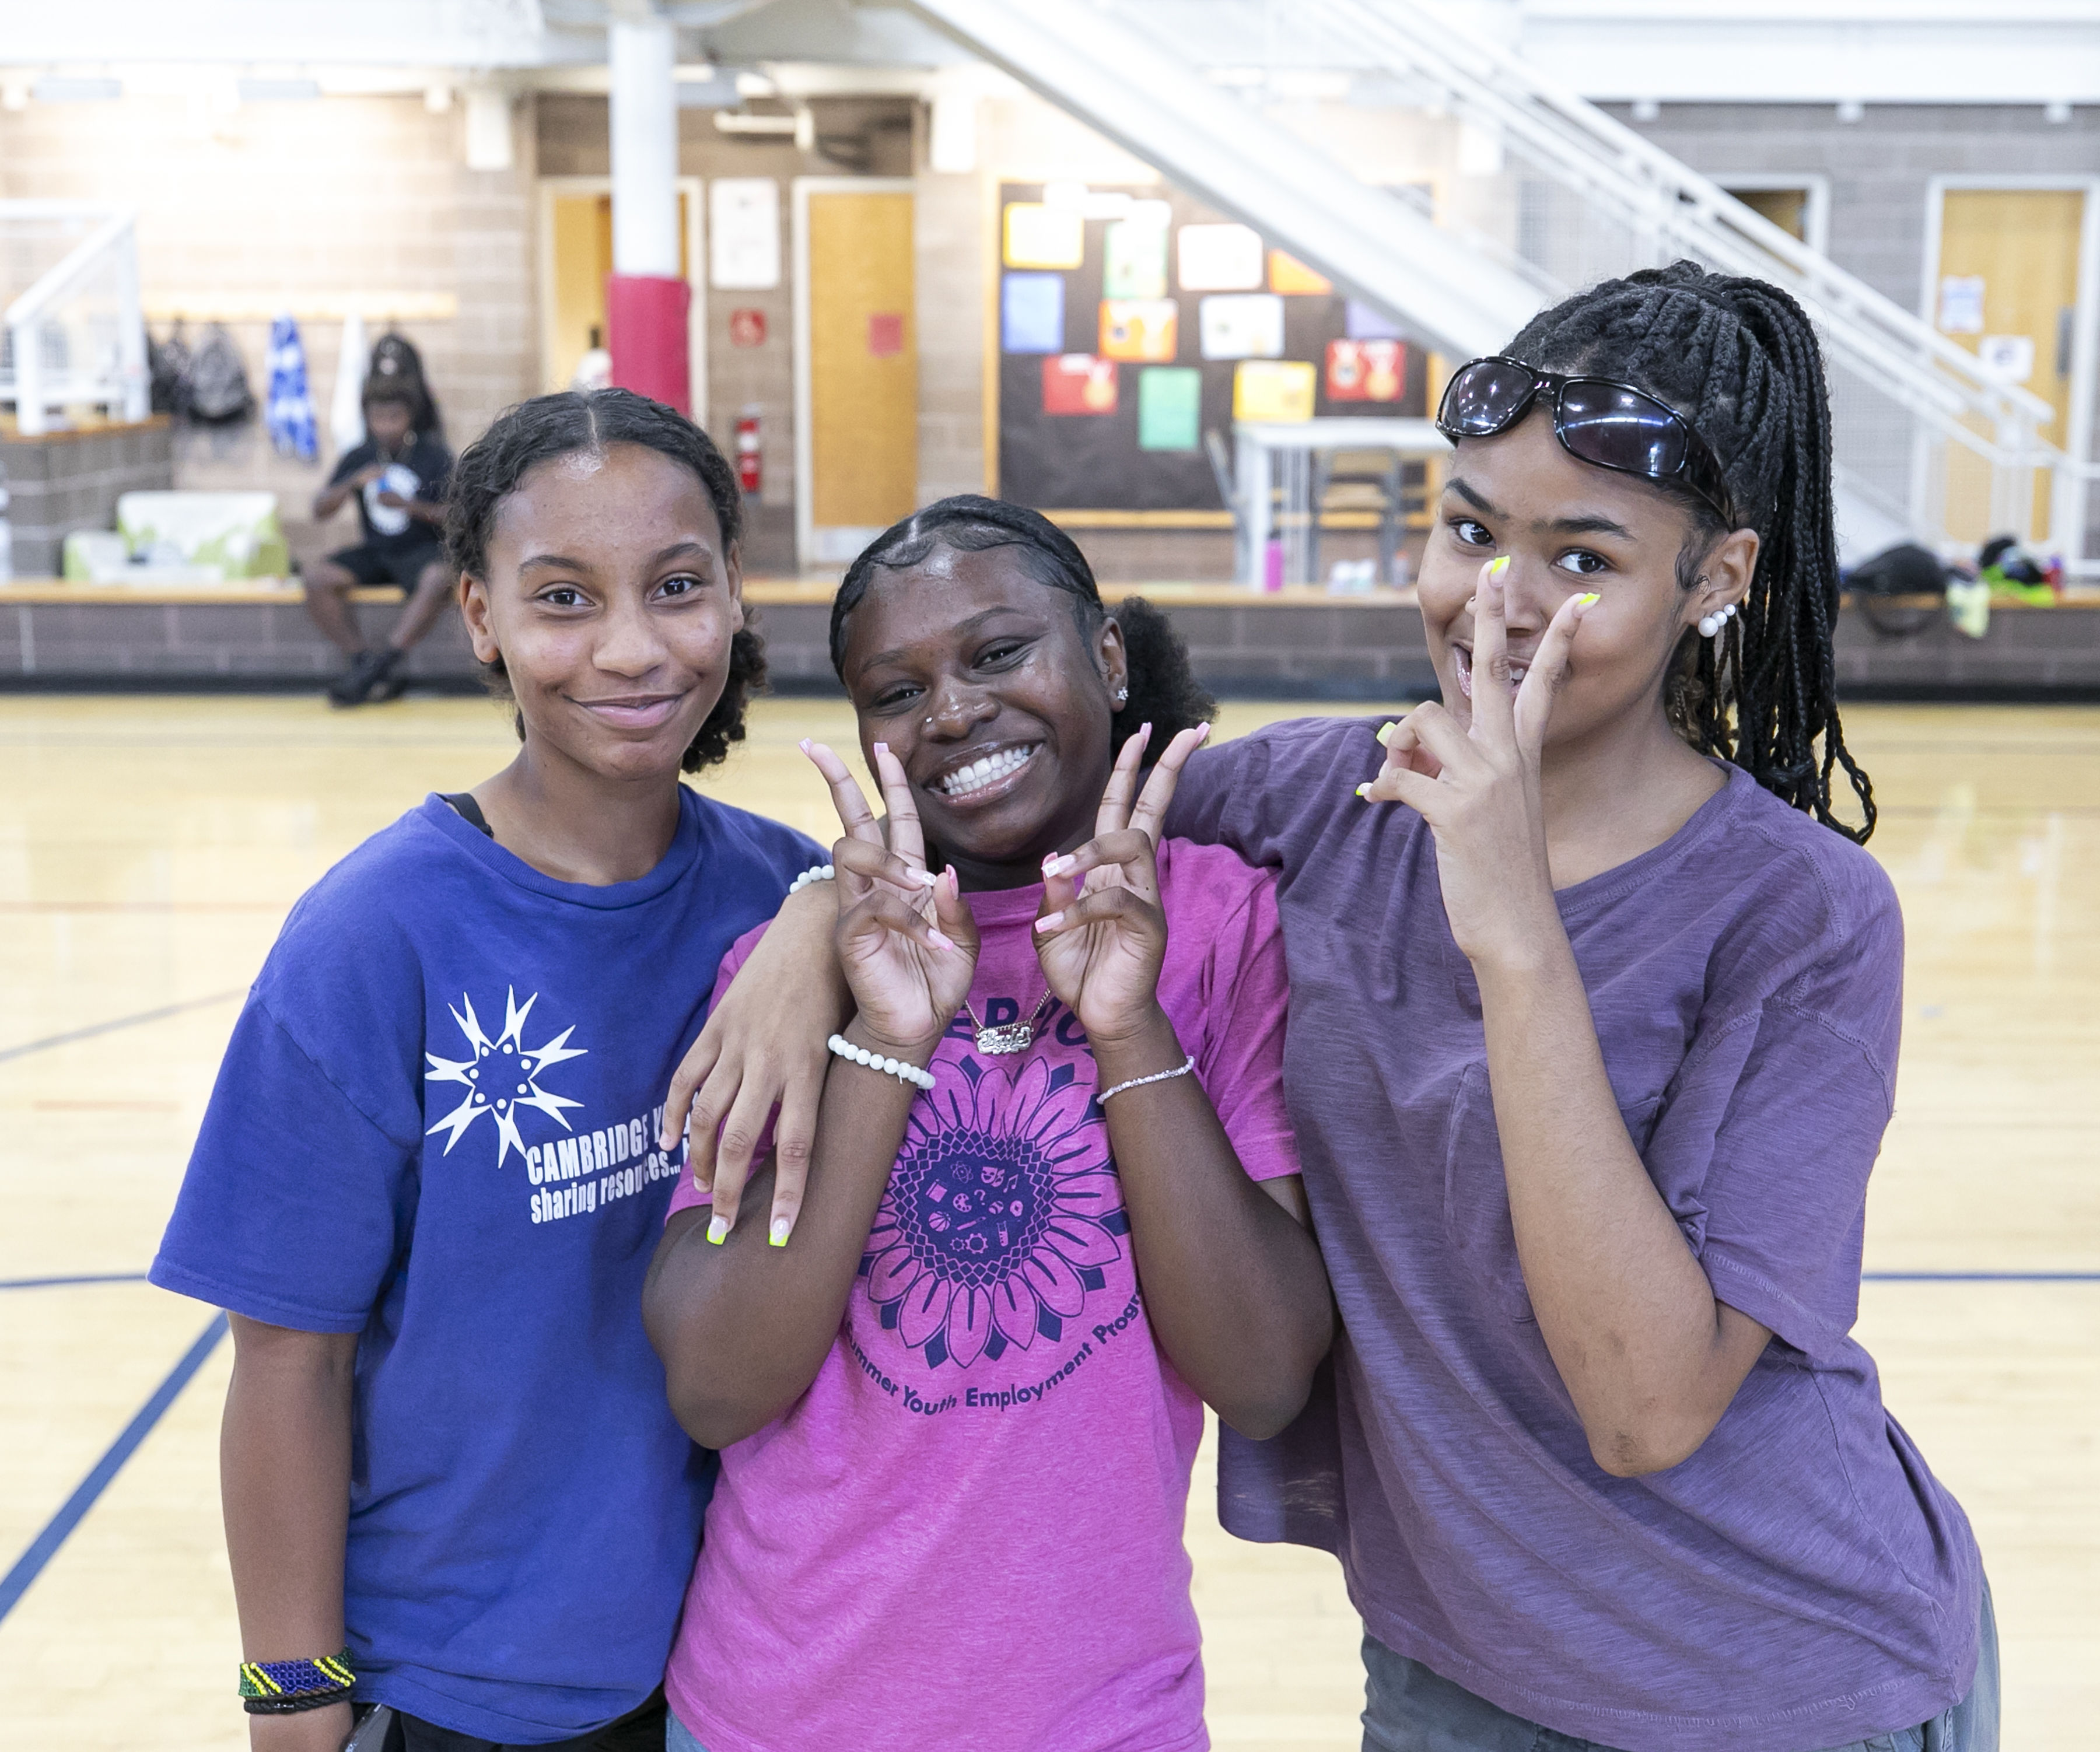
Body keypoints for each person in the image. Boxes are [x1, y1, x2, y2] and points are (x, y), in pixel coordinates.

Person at [665, 267, 1995, 1752]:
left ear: (1720, 578)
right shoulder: (1315, 800)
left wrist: (1514, 931)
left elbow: (1649, 1410)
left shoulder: (1799, 916)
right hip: (1448, 1661)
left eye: (1585, 559)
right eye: (1471, 529)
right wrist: (801, 931)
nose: (1499, 601)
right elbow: (1011, 823)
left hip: (1771, 1670)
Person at [149, 387, 822, 1752]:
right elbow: (285, 1362)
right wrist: (294, 1698)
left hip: (742, 1666)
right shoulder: (373, 937)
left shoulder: (781, 893)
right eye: (564, 598)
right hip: (460, 1684)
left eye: (676, 586)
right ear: (478, 617)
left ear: (735, 596)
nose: (630, 648)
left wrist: (824, 913)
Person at [642, 497, 1334, 1752]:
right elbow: (716, 1382)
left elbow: (1266, 1374)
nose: (952, 711)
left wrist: (1128, 1027)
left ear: (1108, 657)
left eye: (999, 653)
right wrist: (886, 1037)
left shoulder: (1226, 926)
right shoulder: (797, 965)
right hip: (773, 1712)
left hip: (1099, 1715)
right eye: (895, 691)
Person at [306, 378, 456, 707]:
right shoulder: (361, 456)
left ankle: (384, 662)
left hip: (421, 550)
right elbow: (320, 510)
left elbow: (458, 515)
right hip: (377, 552)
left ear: (409, 419)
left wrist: (410, 507)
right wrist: (350, 484)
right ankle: (363, 663)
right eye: (378, 418)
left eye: (394, 417)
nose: (385, 426)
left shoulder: (433, 455)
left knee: (441, 577)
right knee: (318, 578)